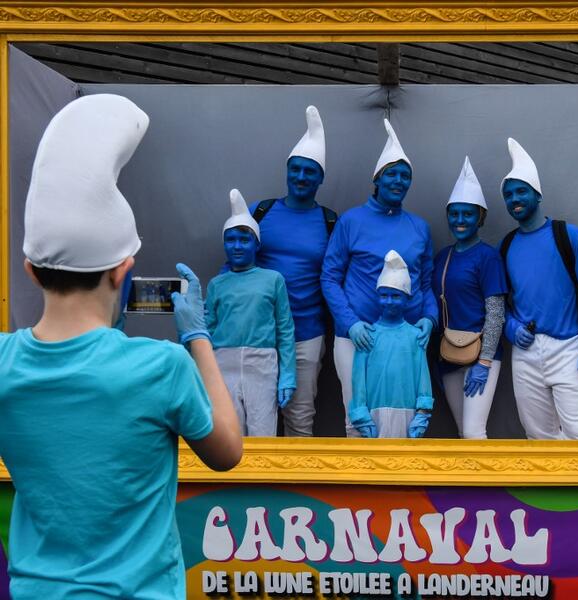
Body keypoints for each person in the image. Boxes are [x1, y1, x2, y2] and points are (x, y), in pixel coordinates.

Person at [0, 94, 242, 599]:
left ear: (29, 269)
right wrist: (197, 338)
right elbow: (227, 452)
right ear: (122, 270)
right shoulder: (161, 366)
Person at [221, 106, 335, 437]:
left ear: (321, 178)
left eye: (310, 171)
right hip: (257, 334)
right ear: (287, 171)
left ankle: (295, 488)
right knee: (250, 415)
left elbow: (335, 274)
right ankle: (248, 485)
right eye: (296, 169)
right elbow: (235, 263)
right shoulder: (262, 211)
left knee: (300, 418)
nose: (301, 177)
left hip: (307, 333)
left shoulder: (329, 220)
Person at [321, 119, 438, 437]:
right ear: (377, 177)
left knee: (405, 418)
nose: (398, 181)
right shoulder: (351, 221)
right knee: (358, 419)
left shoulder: (419, 227)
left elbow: (425, 283)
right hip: (356, 337)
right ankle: (361, 487)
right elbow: (330, 277)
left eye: (405, 176)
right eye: (392, 173)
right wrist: (350, 323)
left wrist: (429, 318)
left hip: (405, 340)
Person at [500, 138, 578, 440]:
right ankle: (553, 489)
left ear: (537, 194)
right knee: (538, 436)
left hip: (570, 349)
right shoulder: (506, 246)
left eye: (521, 191)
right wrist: (511, 328)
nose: (514, 199)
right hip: (526, 353)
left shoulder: (568, 236)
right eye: (508, 195)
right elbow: (500, 303)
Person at [207, 189, 297, 437]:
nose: (237, 246)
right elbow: (208, 328)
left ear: (257, 244)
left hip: (263, 363)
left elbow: (285, 329)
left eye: (244, 239)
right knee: (228, 431)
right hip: (223, 362)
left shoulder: (273, 280)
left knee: (263, 430)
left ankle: (263, 477)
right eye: (231, 239)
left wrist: (287, 374)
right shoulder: (217, 284)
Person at [433, 157, 507, 439]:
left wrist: (485, 362)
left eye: (467, 214)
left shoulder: (488, 257)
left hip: (480, 355)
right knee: (463, 434)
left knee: (475, 432)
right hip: (448, 354)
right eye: (454, 214)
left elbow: (496, 312)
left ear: (480, 218)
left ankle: (487, 485)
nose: (460, 220)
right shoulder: (443, 256)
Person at [349, 251, 434, 438]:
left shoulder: (415, 336)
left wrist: (422, 414)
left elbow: (423, 378)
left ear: (407, 298)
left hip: (408, 417)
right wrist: (361, 414)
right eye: (384, 295)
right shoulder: (368, 334)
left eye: (396, 296)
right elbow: (358, 379)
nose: (389, 301)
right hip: (373, 416)